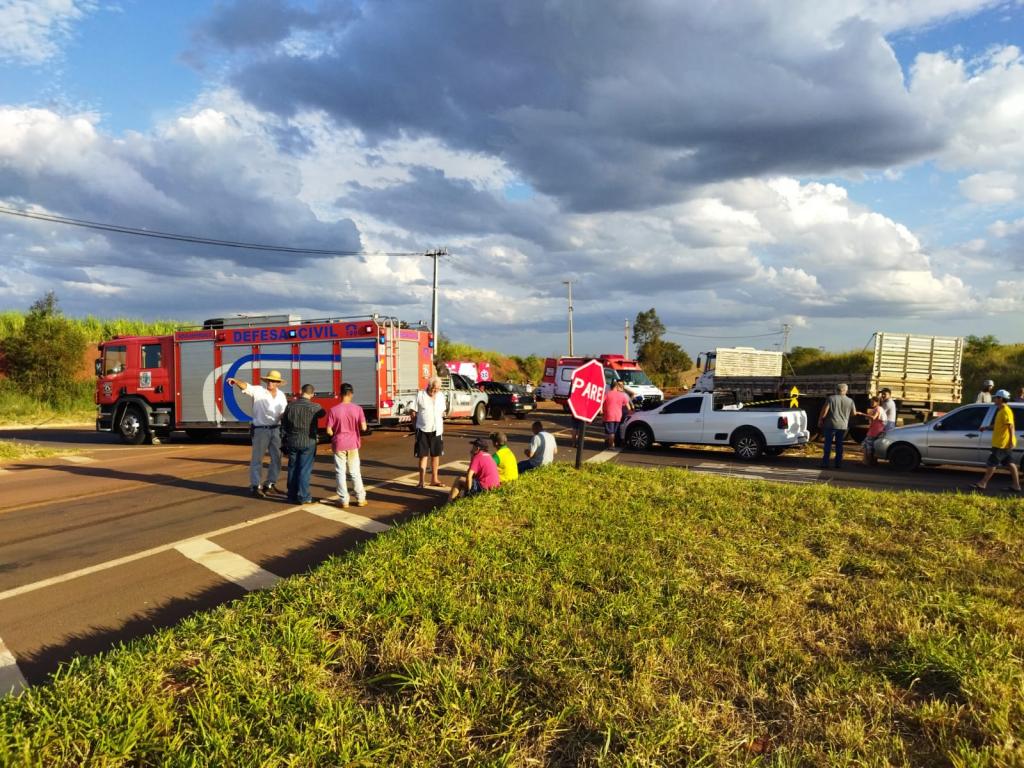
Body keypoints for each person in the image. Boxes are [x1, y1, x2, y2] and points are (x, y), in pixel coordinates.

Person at [226, 369, 288, 498]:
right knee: (257, 459)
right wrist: (235, 381)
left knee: (276, 458)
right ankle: (255, 485)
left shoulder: (282, 395)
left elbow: (283, 413)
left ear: (278, 383)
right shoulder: (259, 391)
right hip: (261, 430)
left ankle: (270, 484)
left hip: (276, 429)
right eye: (269, 380)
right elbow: (246, 386)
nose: (270, 382)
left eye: (273, 381)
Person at [325, 382, 368, 509]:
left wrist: (334, 434)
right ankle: (360, 498)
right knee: (355, 472)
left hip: (339, 443)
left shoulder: (333, 410)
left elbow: (328, 430)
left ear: (340, 394)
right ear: (351, 394)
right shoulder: (358, 409)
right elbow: (364, 427)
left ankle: (344, 500)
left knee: (340, 472)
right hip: (353, 443)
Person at [281, 384, 325, 505]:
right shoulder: (315, 407)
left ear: (301, 392)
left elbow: (284, 423)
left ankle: (291, 495)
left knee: (292, 468)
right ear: (312, 394)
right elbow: (323, 414)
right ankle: (304, 496)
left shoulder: (290, 406)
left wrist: (284, 439)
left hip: (293, 440)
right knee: (304, 469)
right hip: (308, 440)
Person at [973, 390, 1021, 493]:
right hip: (1001, 443)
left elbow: (1010, 426)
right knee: (1010, 464)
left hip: (1002, 443)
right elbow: (998, 425)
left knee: (992, 463)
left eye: (996, 398)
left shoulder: (1005, 411)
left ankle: (982, 483)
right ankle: (1016, 486)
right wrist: (986, 427)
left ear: (1000, 399)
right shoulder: (1001, 410)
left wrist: (1011, 440)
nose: (994, 399)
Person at [409, 376, 447, 488]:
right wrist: (415, 426)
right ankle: (421, 481)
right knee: (423, 455)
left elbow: (442, 411)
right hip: (422, 430)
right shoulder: (420, 395)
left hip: (437, 430)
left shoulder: (440, 396)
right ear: (429, 386)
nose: (435, 391)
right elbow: (413, 411)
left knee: (436, 455)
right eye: (434, 388)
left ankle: (434, 479)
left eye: (438, 388)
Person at [448, 437, 500, 502]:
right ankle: (462, 497)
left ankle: (449, 503)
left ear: (477, 448)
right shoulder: (489, 456)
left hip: (484, 488)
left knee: (459, 480)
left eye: (473, 447)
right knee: (469, 480)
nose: (471, 449)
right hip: (494, 488)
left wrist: (469, 491)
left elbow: (469, 475)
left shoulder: (477, 457)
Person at [818, 383, 856, 470]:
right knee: (839, 445)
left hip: (830, 424)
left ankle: (825, 463)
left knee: (828, 444)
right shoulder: (850, 401)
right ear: (846, 390)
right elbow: (854, 413)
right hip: (843, 426)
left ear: (837, 390)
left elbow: (825, 411)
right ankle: (838, 463)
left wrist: (820, 420)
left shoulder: (831, 398)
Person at [601, 380, 633, 449]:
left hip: (609, 415)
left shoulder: (607, 394)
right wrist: (630, 413)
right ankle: (609, 442)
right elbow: (628, 405)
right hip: (618, 416)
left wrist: (601, 410)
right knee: (613, 431)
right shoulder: (622, 395)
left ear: (611, 387)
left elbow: (601, 402)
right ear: (616, 387)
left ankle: (612, 445)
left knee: (610, 431)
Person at [861, 396, 886, 466]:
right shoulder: (879, 408)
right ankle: (869, 461)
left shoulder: (878, 408)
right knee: (870, 445)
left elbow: (874, 417)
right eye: (871, 402)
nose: (871, 403)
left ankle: (867, 462)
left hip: (874, 430)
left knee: (867, 445)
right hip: (876, 429)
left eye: (873, 402)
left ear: (877, 402)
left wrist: (862, 414)